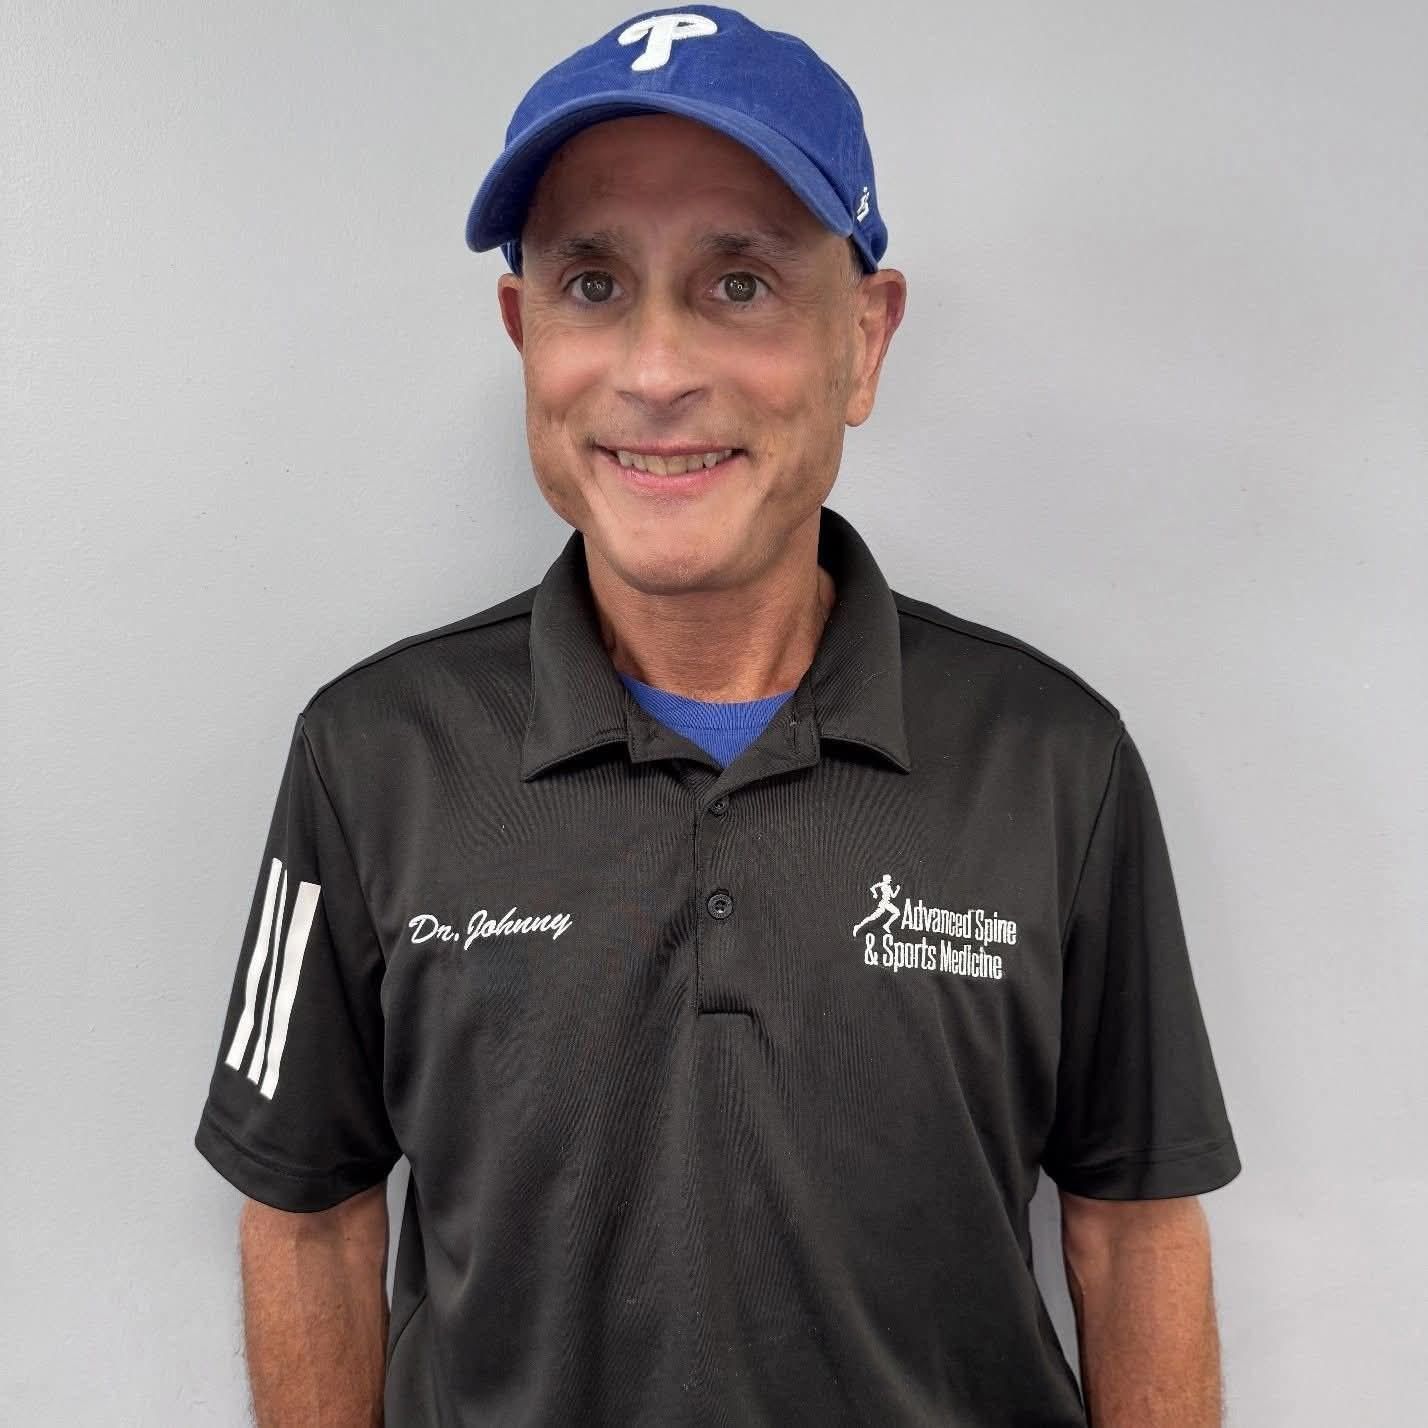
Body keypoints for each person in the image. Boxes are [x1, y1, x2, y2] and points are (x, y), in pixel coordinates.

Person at [193, 7, 1242, 1425]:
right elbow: (308, 1219)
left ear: (863, 338)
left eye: (740, 283)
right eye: (592, 284)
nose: (655, 369)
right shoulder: (368, 758)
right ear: (524, 334)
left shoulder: (1055, 764)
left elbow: (1132, 1230)